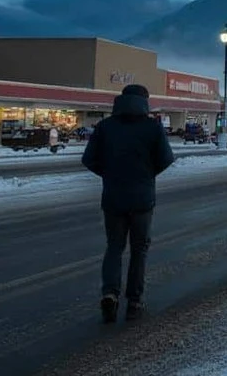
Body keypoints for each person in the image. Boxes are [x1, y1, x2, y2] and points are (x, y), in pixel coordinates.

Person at [82, 84, 175, 323]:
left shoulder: (105, 127)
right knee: (139, 250)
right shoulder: (152, 128)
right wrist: (146, 174)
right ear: (145, 101)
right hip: (142, 199)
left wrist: (109, 174)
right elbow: (166, 159)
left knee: (114, 247)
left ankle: (110, 293)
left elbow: (89, 159)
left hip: (113, 198)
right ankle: (134, 301)